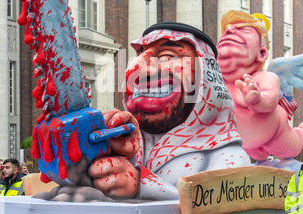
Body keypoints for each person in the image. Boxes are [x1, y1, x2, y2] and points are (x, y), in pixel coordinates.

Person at [88, 22, 251, 200]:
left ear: (204, 79)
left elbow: (218, 208)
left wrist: (142, 184)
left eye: (167, 56)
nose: (135, 70)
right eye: (139, 56)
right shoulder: (128, 146)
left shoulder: (228, 157)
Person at [216, 10, 303, 161]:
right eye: (226, 31)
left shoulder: (265, 77)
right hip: (246, 143)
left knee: (290, 149)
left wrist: (257, 99)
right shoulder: (218, 83)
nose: (229, 30)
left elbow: (269, 102)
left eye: (244, 29)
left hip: (275, 133)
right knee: (258, 155)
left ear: (261, 53)